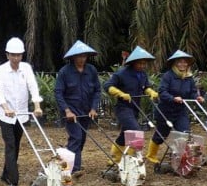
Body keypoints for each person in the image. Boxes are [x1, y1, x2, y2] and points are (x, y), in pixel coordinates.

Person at [0, 37, 43, 186]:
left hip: (21, 115)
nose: (16, 58)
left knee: (16, 145)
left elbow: (33, 87)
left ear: (22, 55)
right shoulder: (0, 70)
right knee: (10, 145)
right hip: (5, 115)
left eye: (19, 55)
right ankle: (14, 181)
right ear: (7, 55)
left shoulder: (26, 68)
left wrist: (37, 106)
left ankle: (5, 175)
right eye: (13, 55)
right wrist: (6, 108)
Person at [146, 50, 204, 164]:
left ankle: (181, 157)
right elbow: (162, 91)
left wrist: (197, 97)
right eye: (180, 62)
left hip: (180, 111)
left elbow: (192, 91)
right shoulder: (168, 76)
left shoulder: (189, 78)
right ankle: (151, 155)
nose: (183, 64)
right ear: (175, 63)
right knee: (161, 135)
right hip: (166, 110)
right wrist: (173, 98)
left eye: (185, 62)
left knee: (185, 133)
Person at [104, 46, 158, 165]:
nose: (142, 66)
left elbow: (146, 87)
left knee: (125, 134)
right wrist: (120, 93)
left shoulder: (142, 74)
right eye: (140, 63)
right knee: (135, 130)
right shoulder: (122, 73)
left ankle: (114, 158)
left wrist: (150, 92)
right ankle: (133, 157)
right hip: (123, 108)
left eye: (144, 63)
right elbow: (107, 85)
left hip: (135, 108)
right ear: (133, 62)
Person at [55, 40, 101, 177]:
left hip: (86, 111)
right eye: (79, 56)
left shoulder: (91, 70)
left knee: (81, 139)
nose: (82, 59)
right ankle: (75, 169)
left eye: (84, 56)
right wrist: (67, 110)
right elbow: (58, 92)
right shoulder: (65, 72)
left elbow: (97, 90)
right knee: (76, 138)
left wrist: (94, 108)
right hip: (71, 112)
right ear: (73, 57)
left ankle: (65, 160)